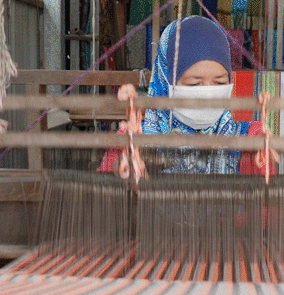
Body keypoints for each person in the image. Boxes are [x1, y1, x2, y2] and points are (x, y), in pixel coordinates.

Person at [98, 15, 274, 175]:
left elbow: (268, 202)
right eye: (194, 84)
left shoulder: (252, 141)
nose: (207, 93)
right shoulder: (131, 141)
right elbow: (101, 198)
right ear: (165, 83)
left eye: (220, 83)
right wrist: (124, 167)